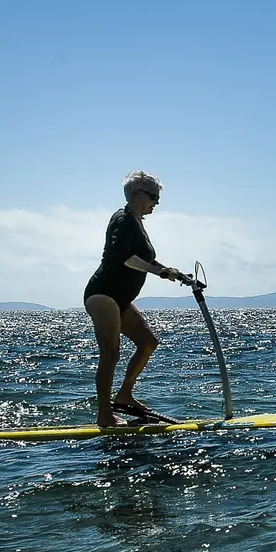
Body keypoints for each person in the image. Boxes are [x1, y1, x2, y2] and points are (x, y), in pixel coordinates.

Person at [84, 171, 189, 426]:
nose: (157, 202)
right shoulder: (123, 219)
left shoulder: (137, 223)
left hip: (121, 299)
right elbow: (126, 258)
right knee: (110, 354)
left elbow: (146, 260)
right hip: (104, 294)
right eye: (153, 196)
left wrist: (173, 272)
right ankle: (105, 416)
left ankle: (124, 395)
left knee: (148, 343)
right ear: (135, 195)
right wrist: (158, 271)